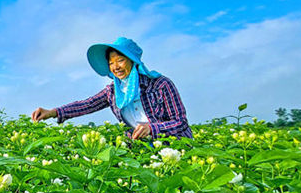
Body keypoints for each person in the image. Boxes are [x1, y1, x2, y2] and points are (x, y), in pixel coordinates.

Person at [31, 37, 192, 140]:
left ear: (132, 61)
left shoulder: (160, 85)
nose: (116, 67)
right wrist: (52, 112)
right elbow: (87, 104)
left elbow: (180, 122)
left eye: (120, 60)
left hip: (174, 147)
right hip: (141, 147)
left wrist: (152, 128)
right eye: (111, 62)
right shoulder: (114, 91)